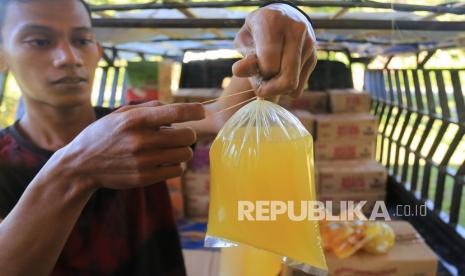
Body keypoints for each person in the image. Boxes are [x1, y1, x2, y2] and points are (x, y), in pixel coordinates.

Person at [0, 0, 316, 275]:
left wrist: (284, 15)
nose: (68, 57)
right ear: (3, 56)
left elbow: (222, 115)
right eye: (39, 41)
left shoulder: (138, 123)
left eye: (82, 39)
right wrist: (72, 170)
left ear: (97, 51)